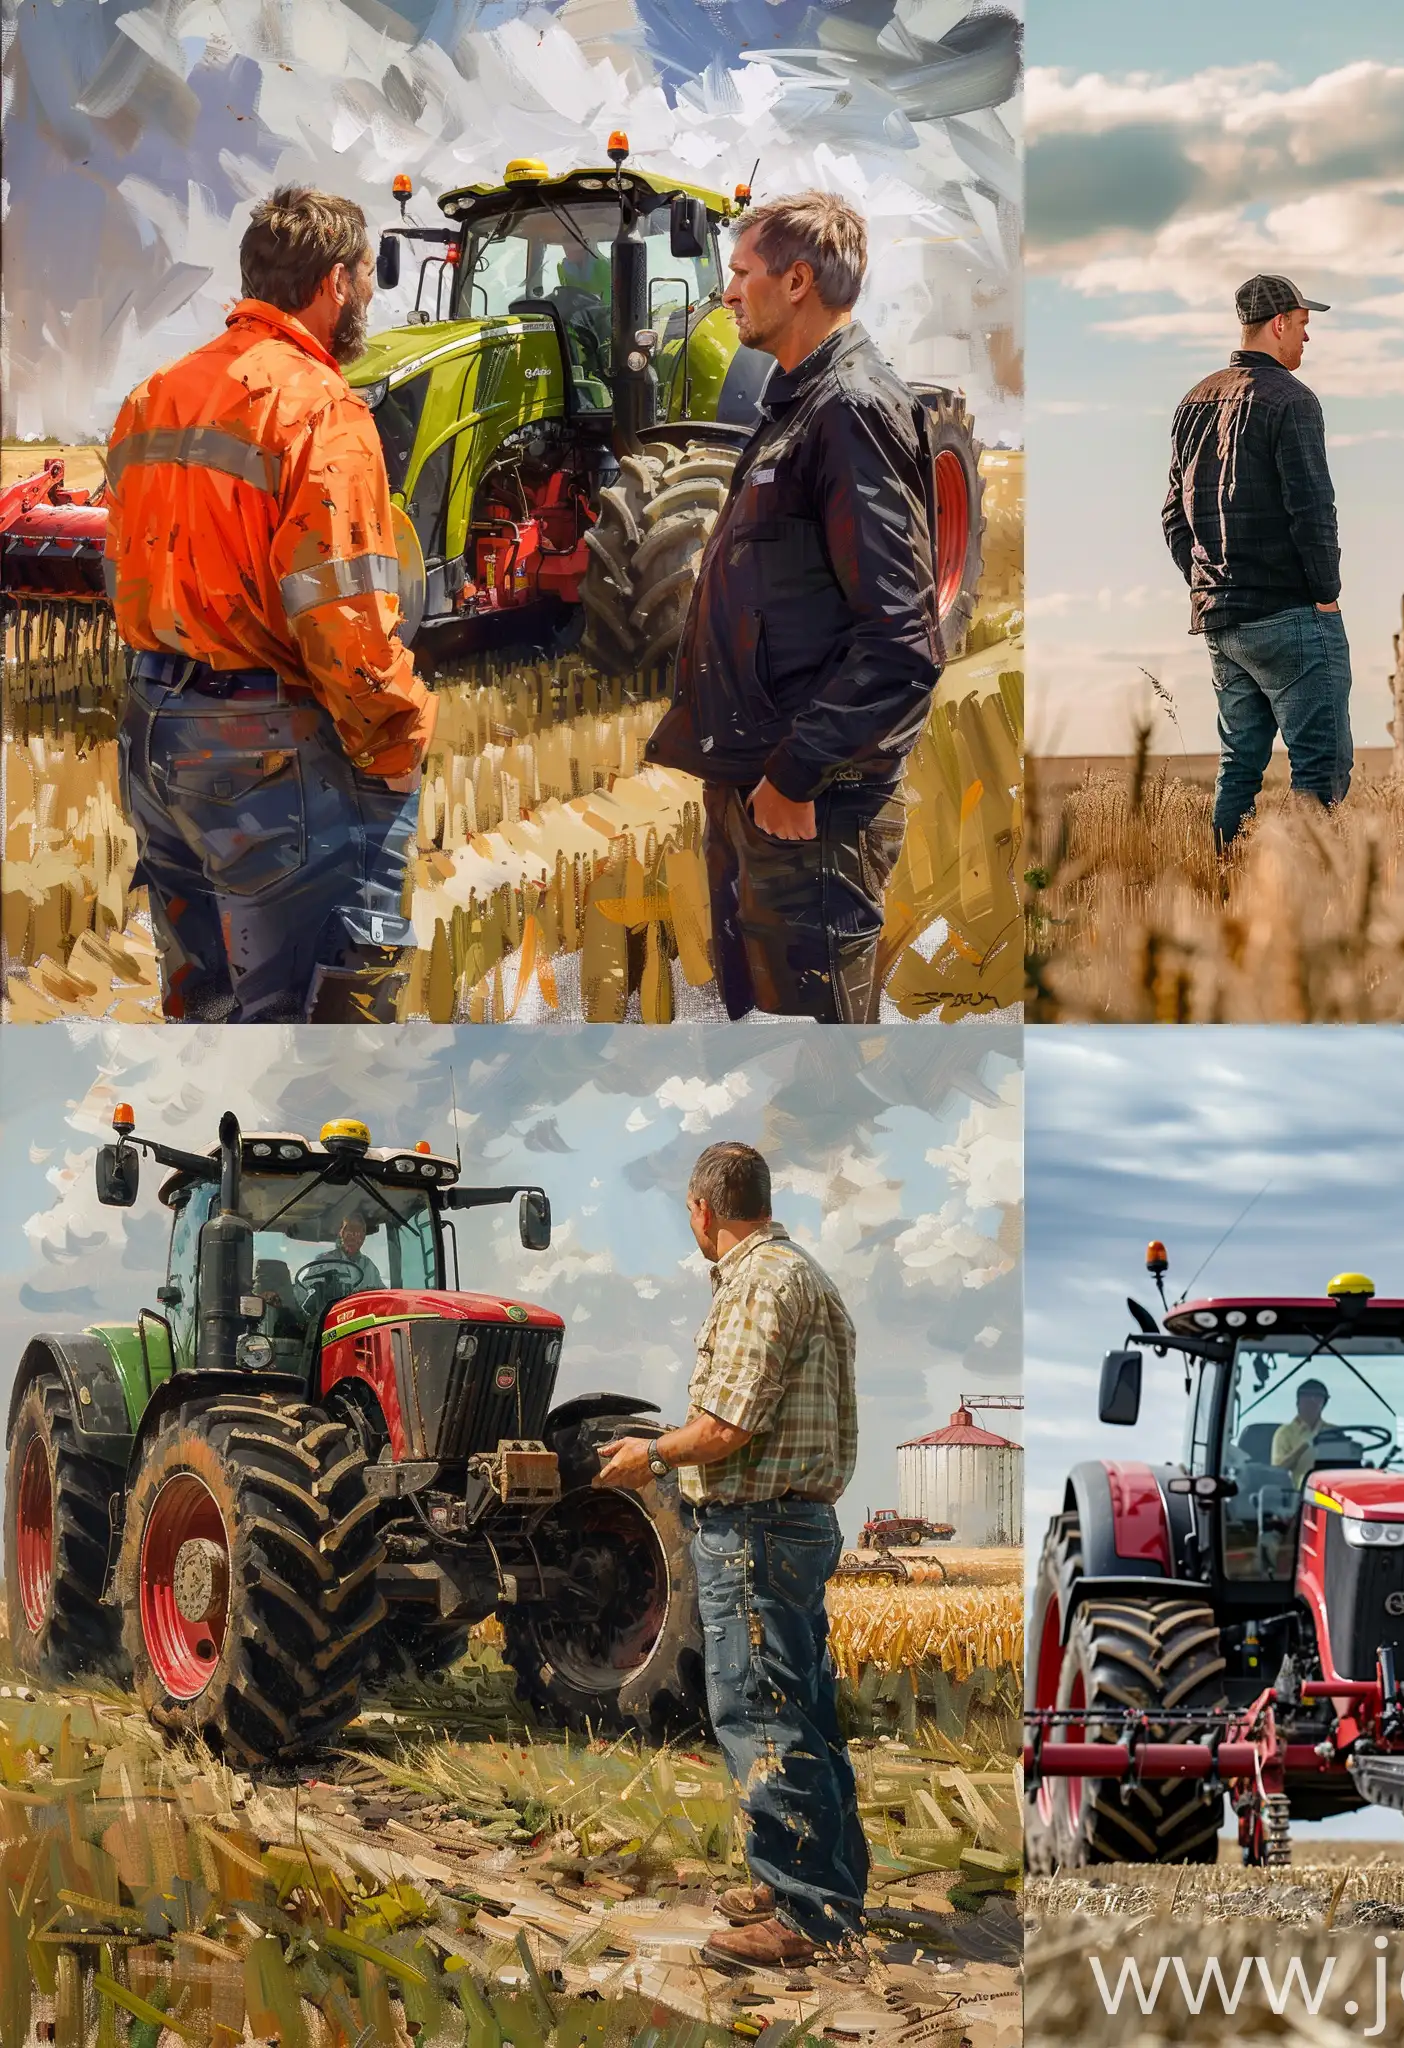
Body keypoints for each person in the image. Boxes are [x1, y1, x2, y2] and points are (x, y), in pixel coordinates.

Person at [104, 185, 436, 1024]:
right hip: (266, 757)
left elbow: (126, 569)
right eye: (364, 276)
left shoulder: (153, 397)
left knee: (207, 1015)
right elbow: (343, 620)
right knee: (312, 1036)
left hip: (154, 731)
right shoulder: (325, 410)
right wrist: (396, 735)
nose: (365, 294)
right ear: (335, 283)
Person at [644, 192, 944, 1024]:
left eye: (741, 273)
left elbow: (903, 642)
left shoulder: (850, 409)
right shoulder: (796, 406)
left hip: (814, 814)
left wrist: (795, 772)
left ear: (798, 280)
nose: (729, 292)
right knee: (766, 1061)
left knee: (816, 1080)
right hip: (761, 799)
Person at [593, 1141, 864, 1965]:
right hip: (798, 1524)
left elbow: (726, 1428)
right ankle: (819, 1880)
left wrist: (652, 1456)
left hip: (753, 1529)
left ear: (705, 1210)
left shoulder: (756, 1285)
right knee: (806, 1711)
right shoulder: (808, 1274)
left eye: (688, 1215)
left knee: (760, 1712)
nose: (692, 1227)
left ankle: (806, 1914)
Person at [1163, 274, 1351, 853]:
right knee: (1320, 769)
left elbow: (1174, 514)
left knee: (1238, 767)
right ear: (1277, 324)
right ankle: (1308, 893)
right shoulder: (1293, 401)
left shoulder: (1194, 400)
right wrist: (1326, 594)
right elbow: (1312, 508)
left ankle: (1222, 882)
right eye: (1302, 325)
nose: (1305, 339)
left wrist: (1209, 582)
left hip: (1222, 618)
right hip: (1291, 611)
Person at [291, 1214, 382, 1333]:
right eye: (350, 1230)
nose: (354, 1236)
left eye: (359, 1232)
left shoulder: (369, 1267)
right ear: (341, 1233)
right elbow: (302, 1294)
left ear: (364, 1237)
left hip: (360, 1326)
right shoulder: (325, 1262)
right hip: (329, 1326)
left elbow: (380, 1296)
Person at [1268, 1378, 1331, 1485]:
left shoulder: (1334, 1432)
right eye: (1306, 1397)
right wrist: (1304, 1446)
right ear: (1298, 1402)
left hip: (1332, 1494)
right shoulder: (1284, 1433)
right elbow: (1277, 1472)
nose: (1311, 1401)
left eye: (1317, 1397)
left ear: (1324, 1403)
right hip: (1297, 1496)